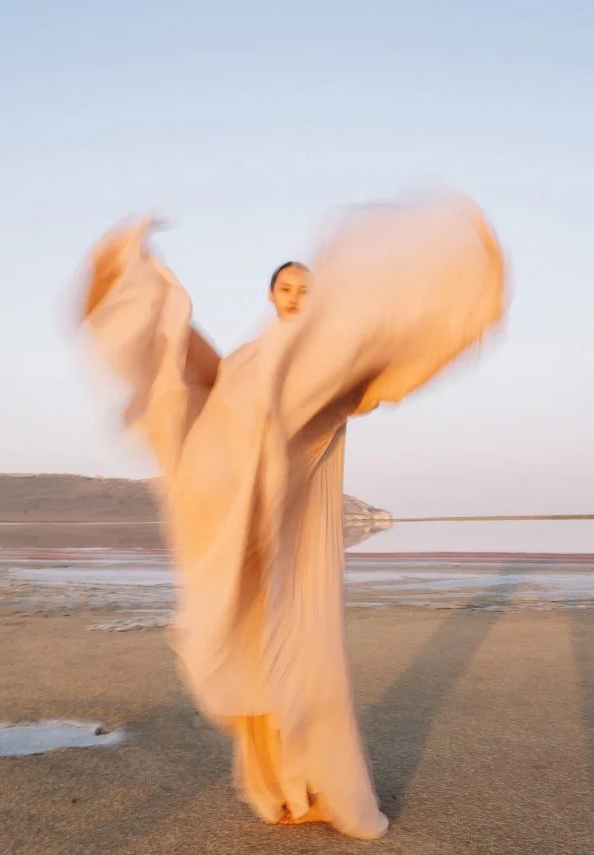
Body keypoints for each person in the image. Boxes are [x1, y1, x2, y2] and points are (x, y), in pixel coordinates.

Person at [80, 193, 505, 839]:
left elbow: (378, 367)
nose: (296, 294)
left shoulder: (324, 359)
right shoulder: (249, 357)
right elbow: (193, 377)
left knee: (304, 659)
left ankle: (313, 787)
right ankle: (278, 789)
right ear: (271, 294)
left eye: (307, 286)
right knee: (257, 645)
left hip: (297, 533)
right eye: (286, 286)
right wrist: (139, 286)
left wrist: (451, 300)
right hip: (242, 523)